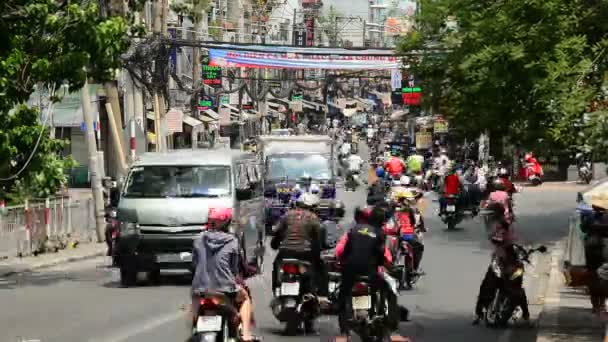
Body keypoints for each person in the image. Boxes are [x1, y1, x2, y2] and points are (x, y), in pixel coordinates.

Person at [191, 208, 257, 341]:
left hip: (201, 288)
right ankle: (245, 334)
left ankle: (194, 328)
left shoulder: (198, 239)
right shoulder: (232, 241)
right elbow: (235, 268)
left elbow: (194, 263)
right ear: (226, 222)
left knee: (194, 303)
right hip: (225, 288)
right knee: (245, 298)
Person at [334, 206, 401, 335]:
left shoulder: (354, 230)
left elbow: (345, 251)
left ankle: (343, 327)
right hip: (369, 271)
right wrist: (385, 266)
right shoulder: (380, 233)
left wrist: (342, 264)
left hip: (350, 269)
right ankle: (388, 320)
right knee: (387, 290)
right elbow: (381, 254)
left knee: (342, 295)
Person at [270, 192, 326, 322]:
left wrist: (275, 244)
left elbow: (277, 233)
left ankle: (277, 290)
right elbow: (319, 239)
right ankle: (320, 295)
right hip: (305, 253)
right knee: (319, 269)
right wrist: (318, 252)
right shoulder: (313, 218)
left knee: (276, 267)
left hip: (285, 252)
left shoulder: (287, 215)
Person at [473, 230, 530, 325]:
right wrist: (495, 267)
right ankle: (478, 314)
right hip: (499, 273)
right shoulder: (497, 251)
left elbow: (523, 255)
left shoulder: (515, 249)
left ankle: (526, 315)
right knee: (484, 288)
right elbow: (494, 262)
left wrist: (524, 258)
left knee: (520, 292)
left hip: (512, 275)